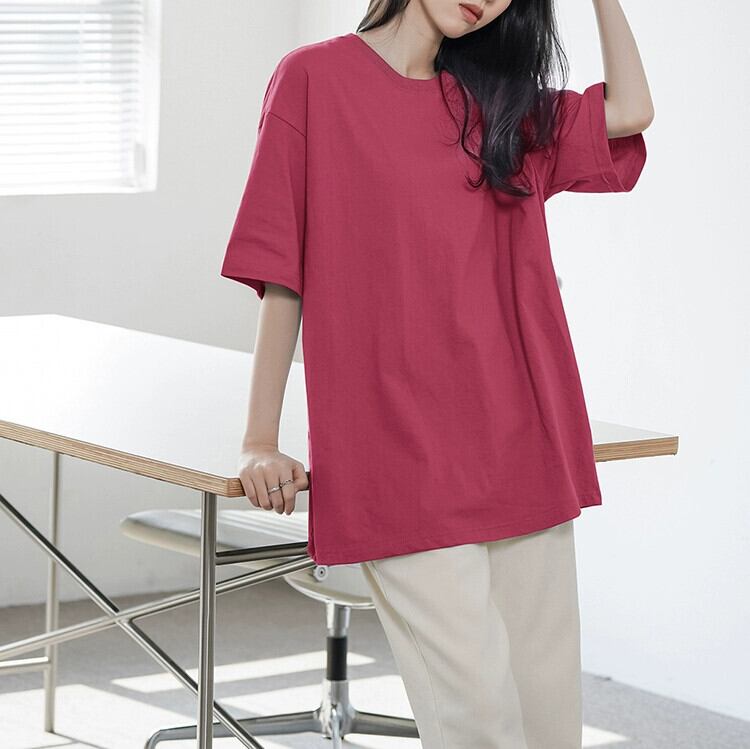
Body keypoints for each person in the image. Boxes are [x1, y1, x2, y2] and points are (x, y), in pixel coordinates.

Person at [220, 1, 653, 746]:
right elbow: (281, 270)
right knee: (478, 721)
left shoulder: (499, 106)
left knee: (550, 724)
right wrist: (260, 438)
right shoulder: (313, 80)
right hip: (400, 458)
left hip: (523, 446)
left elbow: (631, 110)